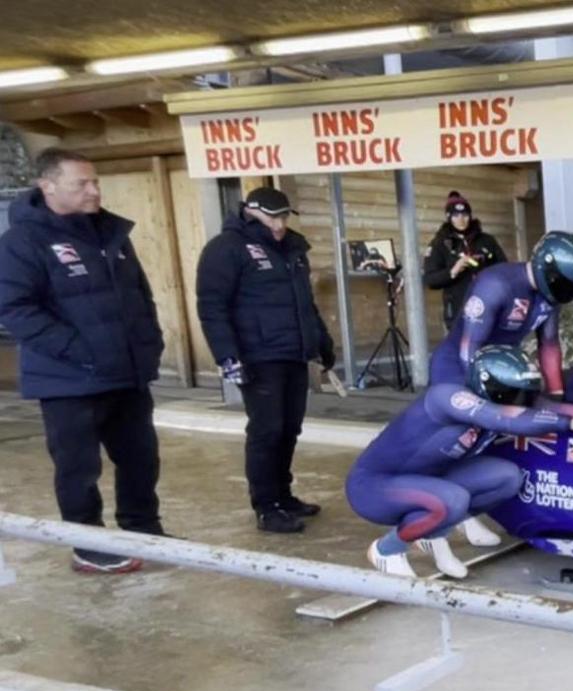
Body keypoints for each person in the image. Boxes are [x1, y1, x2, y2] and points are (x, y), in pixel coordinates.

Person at [0, 148, 166, 573]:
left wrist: (150, 344)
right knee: (78, 468)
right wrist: (81, 351)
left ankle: (143, 530)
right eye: (82, 184)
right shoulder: (23, 241)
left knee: (140, 458)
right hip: (69, 380)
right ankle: (86, 544)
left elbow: (139, 295)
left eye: (96, 182)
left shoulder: (109, 232)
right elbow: (14, 308)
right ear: (48, 186)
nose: (94, 191)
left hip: (126, 374)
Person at [347, 346, 573, 577]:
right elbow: (504, 418)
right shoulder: (447, 397)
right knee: (452, 499)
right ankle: (387, 550)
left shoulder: (503, 402)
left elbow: (553, 409)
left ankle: (433, 533)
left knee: (508, 477)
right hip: (374, 486)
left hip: (430, 478)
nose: (524, 402)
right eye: (517, 395)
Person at [196, 187, 337, 534]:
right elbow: (212, 307)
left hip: (292, 352)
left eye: (284, 216)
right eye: (271, 217)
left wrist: (321, 342)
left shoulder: (293, 249)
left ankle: (283, 495)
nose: (278, 224)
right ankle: (266, 505)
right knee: (266, 430)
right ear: (250, 212)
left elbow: (306, 304)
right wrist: (228, 356)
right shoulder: (226, 248)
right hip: (257, 356)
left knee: (290, 427)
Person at [427, 230, 573, 395]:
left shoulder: (553, 296)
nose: (567, 291)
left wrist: (556, 393)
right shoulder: (495, 285)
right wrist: (480, 391)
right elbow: (470, 345)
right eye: (565, 283)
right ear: (547, 267)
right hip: (456, 363)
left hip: (502, 366)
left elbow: (549, 344)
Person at [423, 191, 507, 329]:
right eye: (456, 215)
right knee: (462, 348)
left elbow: (504, 269)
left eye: (465, 215)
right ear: (449, 217)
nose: (461, 220)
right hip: (458, 311)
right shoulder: (440, 243)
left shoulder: (486, 240)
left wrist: (484, 266)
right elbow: (430, 279)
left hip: (489, 306)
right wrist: (453, 271)